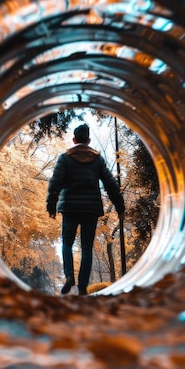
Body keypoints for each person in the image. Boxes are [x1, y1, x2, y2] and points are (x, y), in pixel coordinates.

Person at [46, 123, 125, 296]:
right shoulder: (97, 159)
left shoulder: (65, 158)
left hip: (70, 208)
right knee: (87, 247)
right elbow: (110, 183)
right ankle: (82, 285)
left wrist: (51, 204)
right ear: (88, 140)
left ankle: (68, 276)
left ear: (74, 140)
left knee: (66, 243)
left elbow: (55, 182)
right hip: (91, 209)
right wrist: (120, 206)